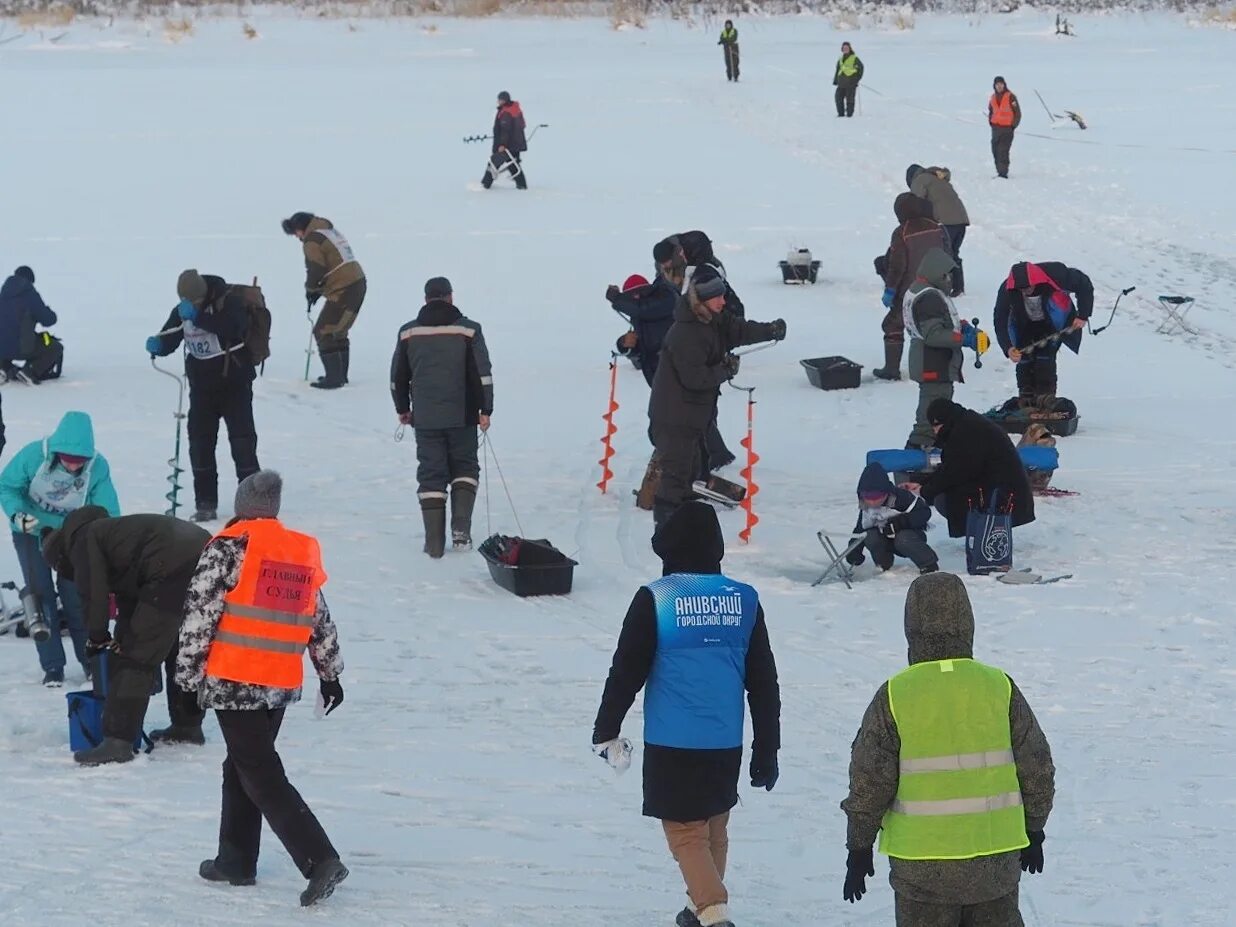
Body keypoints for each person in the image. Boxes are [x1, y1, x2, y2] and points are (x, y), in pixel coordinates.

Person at [592, 501, 780, 927]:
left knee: (684, 831)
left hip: (673, 740)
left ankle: (713, 912)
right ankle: (701, 907)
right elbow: (764, 684)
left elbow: (627, 670)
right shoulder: (744, 600)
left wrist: (606, 728)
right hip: (725, 740)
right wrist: (766, 749)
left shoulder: (658, 599)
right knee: (714, 825)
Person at [175, 471, 349, 907]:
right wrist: (330, 673)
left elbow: (200, 617)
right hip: (279, 681)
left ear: (241, 505)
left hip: (235, 679)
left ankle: (320, 858)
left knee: (260, 772)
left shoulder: (228, 550)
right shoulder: (296, 552)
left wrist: (185, 678)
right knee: (242, 766)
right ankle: (234, 861)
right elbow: (318, 618)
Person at [840, 573, 1055, 924]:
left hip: (922, 872)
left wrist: (859, 847)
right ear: (967, 621)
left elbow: (869, 781)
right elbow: (1037, 766)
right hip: (995, 865)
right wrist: (1035, 827)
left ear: (911, 624)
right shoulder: (999, 687)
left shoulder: (895, 695)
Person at [41, 507, 211, 764]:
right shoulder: (115, 535)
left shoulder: (83, 540)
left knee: (136, 657)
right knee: (179, 649)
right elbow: (130, 601)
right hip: (205, 552)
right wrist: (118, 637)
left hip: (169, 565)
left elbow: (93, 594)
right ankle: (188, 726)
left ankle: (117, 742)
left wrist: (97, 637)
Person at [647, 265, 784, 529]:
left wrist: (769, 331)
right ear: (701, 300)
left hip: (692, 417)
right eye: (717, 297)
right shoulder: (687, 333)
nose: (724, 301)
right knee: (675, 481)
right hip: (675, 419)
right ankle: (666, 537)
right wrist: (725, 369)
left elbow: (739, 330)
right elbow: (694, 378)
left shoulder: (712, 319)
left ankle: (684, 530)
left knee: (692, 474)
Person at [0, 411, 120, 686]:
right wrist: (17, 515)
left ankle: (90, 662)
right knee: (41, 595)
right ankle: (52, 666)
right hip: (31, 532)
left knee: (77, 598)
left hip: (72, 536)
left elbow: (107, 510)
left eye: (80, 462)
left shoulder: (98, 468)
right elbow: (6, 486)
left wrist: (105, 542)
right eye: (68, 459)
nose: (74, 466)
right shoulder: (32, 456)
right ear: (55, 451)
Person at [390, 277, 494, 558]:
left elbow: (398, 377)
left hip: (424, 418)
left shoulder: (408, 333)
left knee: (431, 474)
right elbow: (481, 374)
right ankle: (461, 531)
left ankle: (434, 543)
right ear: (450, 297)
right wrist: (485, 410)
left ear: (426, 299)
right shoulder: (469, 330)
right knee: (465, 468)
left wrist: (403, 408)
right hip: (462, 415)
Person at [146, 270, 261, 523]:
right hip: (201, 389)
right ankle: (205, 503)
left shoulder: (228, 301)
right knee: (200, 445)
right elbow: (171, 336)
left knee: (242, 444)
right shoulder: (182, 310)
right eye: (189, 303)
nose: (193, 306)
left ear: (204, 293)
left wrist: (199, 317)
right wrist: (159, 344)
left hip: (235, 385)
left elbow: (234, 327)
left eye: (197, 302)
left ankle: (254, 503)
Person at [903, 399, 1035, 538]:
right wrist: (922, 484)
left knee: (944, 499)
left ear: (939, 421)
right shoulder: (966, 423)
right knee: (944, 494)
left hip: (1003, 497)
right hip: (1005, 491)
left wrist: (925, 490)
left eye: (934, 427)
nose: (935, 432)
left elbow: (955, 472)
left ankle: (984, 532)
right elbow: (952, 467)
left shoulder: (965, 433)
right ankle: (984, 532)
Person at [281, 212, 367, 390]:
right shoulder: (327, 231)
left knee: (323, 331)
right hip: (356, 282)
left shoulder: (312, 240)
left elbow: (316, 268)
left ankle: (334, 379)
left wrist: (311, 290)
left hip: (345, 287)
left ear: (299, 229)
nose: (297, 238)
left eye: (295, 233)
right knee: (338, 331)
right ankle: (340, 376)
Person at [904, 249, 979, 450]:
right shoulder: (929, 297)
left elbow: (940, 322)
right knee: (931, 419)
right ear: (936, 273)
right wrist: (964, 339)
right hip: (932, 364)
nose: (949, 280)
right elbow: (933, 334)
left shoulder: (924, 290)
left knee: (939, 414)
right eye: (946, 275)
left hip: (933, 363)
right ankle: (914, 459)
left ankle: (933, 455)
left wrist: (961, 326)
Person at [993, 261, 1094, 411]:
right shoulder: (1006, 289)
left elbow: (1084, 285)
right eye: (1021, 289)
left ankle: (1045, 399)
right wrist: (1007, 347)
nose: (1025, 291)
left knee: (1045, 357)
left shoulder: (1057, 274)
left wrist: (1083, 315)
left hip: (1052, 323)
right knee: (1024, 358)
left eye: (1028, 287)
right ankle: (1026, 400)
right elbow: (1000, 318)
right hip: (1024, 324)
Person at [875, 194, 951, 381]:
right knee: (934, 326)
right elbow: (949, 256)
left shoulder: (902, 232)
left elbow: (897, 266)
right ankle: (939, 365)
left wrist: (890, 289)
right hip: (937, 287)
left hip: (911, 290)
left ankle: (891, 369)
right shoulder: (939, 229)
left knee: (893, 325)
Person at [845, 463, 937, 574]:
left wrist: (901, 522)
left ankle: (928, 564)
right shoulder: (866, 507)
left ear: (886, 492)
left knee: (903, 538)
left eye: (877, 497)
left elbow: (924, 512)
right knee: (870, 536)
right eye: (868, 497)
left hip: (910, 537)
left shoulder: (902, 498)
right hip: (884, 539)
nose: (873, 501)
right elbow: (861, 529)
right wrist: (854, 550)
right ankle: (883, 565)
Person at [905, 166, 970, 295]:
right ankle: (958, 286)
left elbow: (916, 203)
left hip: (945, 222)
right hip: (961, 221)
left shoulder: (920, 180)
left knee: (941, 254)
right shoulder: (937, 179)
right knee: (952, 253)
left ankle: (947, 286)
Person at [606, 273, 677, 388]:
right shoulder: (639, 318)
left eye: (639, 294)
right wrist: (625, 344)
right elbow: (639, 359)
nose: (636, 298)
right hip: (659, 383)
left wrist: (618, 299)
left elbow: (644, 309)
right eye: (632, 297)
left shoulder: (665, 300)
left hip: (679, 373)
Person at [0, 265, 64, 383]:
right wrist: (48, 311)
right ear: (30, 280)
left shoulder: (3, 295)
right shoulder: (29, 293)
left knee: (6, 337)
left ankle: (3, 367)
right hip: (21, 347)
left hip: (1, 347)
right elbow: (48, 320)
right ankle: (29, 371)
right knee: (56, 347)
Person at [481, 91, 528, 190]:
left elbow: (505, 131)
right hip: (516, 144)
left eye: (499, 100)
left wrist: (502, 144)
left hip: (508, 145)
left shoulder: (506, 112)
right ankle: (522, 185)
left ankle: (485, 185)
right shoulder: (515, 109)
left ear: (504, 100)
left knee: (494, 162)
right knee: (512, 163)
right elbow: (522, 126)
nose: (498, 102)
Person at [987, 76, 1021, 179]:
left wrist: (1013, 126)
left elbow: (1017, 113)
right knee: (995, 150)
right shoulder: (993, 97)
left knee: (1003, 150)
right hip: (996, 128)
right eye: (997, 84)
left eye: (1001, 84)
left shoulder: (1011, 97)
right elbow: (991, 110)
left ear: (1004, 84)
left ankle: (1003, 173)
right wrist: (991, 122)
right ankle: (999, 171)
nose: (999, 86)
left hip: (1007, 129)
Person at [834, 41, 864, 117]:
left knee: (850, 100)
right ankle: (841, 114)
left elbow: (861, 68)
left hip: (851, 83)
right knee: (838, 98)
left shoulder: (854, 58)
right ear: (842, 49)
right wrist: (835, 80)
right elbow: (838, 70)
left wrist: (857, 79)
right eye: (844, 48)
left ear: (850, 49)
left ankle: (849, 114)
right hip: (841, 83)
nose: (845, 49)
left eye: (847, 48)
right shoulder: (840, 59)